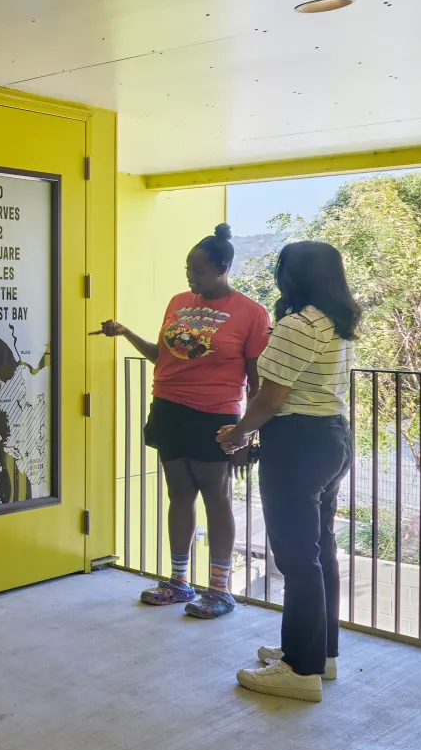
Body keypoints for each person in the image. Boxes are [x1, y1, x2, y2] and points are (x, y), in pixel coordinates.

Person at [98, 224, 269, 618]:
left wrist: (247, 434)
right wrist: (126, 333)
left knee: (217, 498)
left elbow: (257, 381)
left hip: (215, 415)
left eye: (199, 271)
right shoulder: (179, 301)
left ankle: (220, 589)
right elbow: (164, 356)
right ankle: (178, 581)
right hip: (169, 408)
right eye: (188, 269)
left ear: (224, 266)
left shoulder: (250, 312)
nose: (191, 278)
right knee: (179, 496)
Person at [216, 241, 358, 703]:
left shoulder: (296, 325)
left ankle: (299, 670)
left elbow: (271, 398)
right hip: (333, 437)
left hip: (297, 443)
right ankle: (320, 653)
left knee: (297, 558)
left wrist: (238, 433)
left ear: (292, 276)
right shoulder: (335, 321)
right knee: (319, 550)